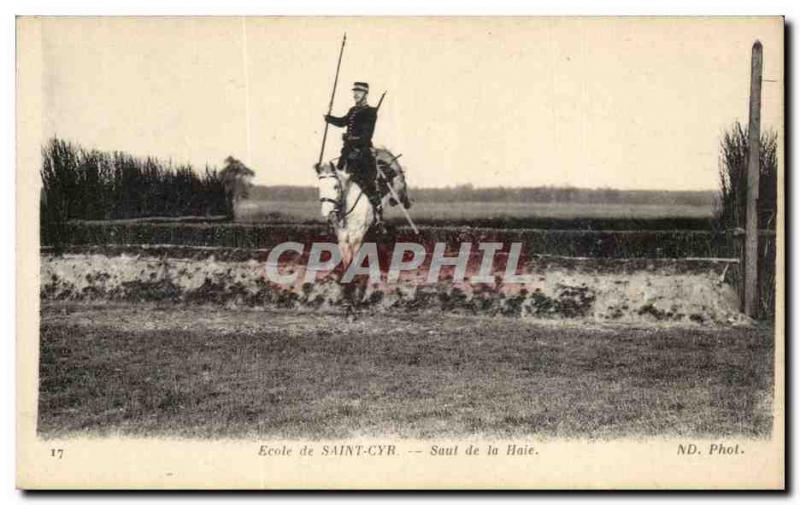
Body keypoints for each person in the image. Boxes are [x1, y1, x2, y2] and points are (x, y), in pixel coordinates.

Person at [324, 81, 383, 223]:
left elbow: (367, 135)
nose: (355, 94)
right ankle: (335, 214)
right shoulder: (353, 110)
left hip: (362, 152)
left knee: (367, 182)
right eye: (354, 92)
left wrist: (350, 138)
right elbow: (343, 122)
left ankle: (378, 214)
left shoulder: (370, 112)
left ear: (366, 94)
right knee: (336, 181)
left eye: (359, 92)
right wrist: (329, 118)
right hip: (347, 152)